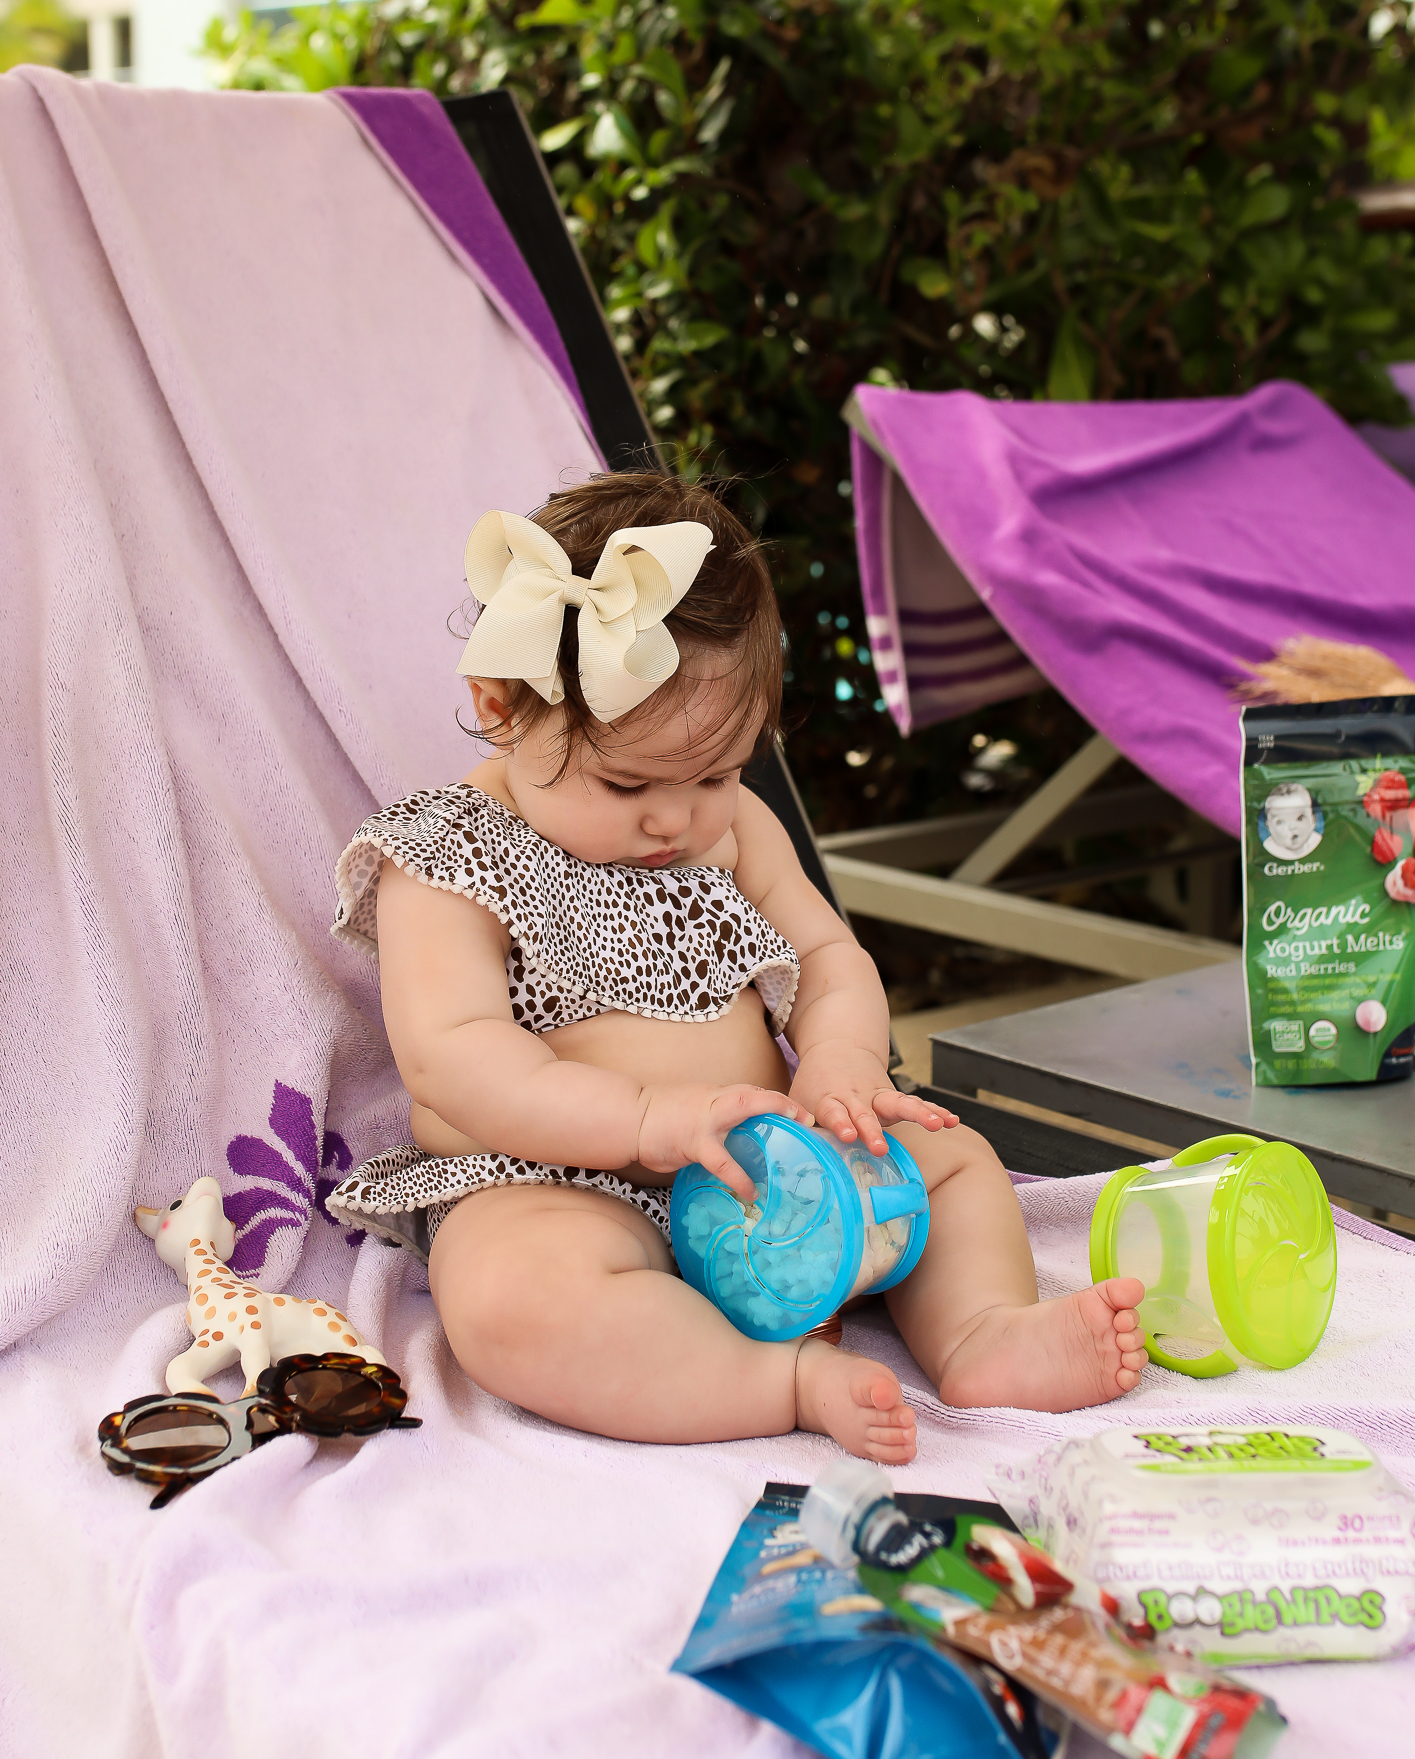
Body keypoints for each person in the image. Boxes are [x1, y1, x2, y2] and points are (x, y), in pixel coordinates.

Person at [328, 472, 1145, 1463]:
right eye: (629, 782)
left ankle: (982, 1334)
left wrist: (844, 1062)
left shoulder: (732, 830)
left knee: (956, 1160)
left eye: (717, 773)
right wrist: (642, 1122)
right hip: (563, 1184)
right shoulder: (449, 855)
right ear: (501, 707)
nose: (676, 818)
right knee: (506, 1298)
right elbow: (453, 1056)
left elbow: (828, 954)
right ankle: (779, 1381)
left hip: (780, 1175)